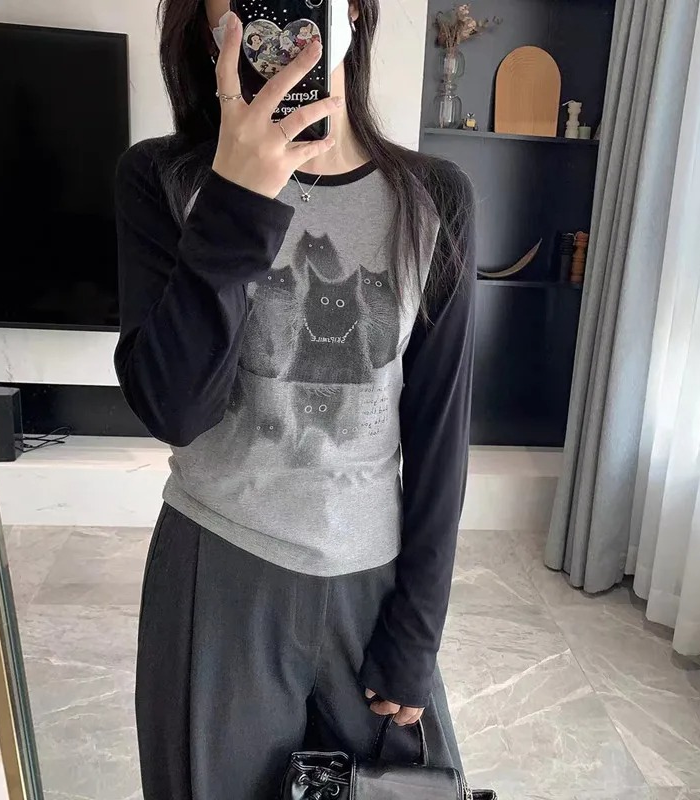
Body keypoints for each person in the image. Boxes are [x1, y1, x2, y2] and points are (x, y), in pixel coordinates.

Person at [114, 0, 476, 797]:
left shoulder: (433, 197)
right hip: (218, 573)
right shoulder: (162, 181)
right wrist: (236, 202)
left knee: (404, 787)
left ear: (353, 12)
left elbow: (441, 434)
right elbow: (173, 410)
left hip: (372, 582)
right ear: (208, 26)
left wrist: (418, 633)